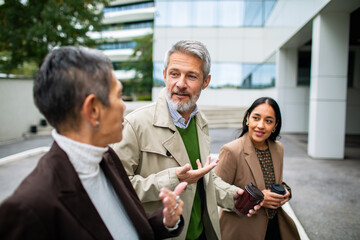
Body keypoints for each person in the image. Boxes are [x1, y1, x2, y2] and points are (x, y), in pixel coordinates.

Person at [0, 46, 187, 240]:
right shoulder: (29, 208)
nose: (124, 106)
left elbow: (129, 226)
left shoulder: (107, 157)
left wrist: (166, 221)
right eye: (118, 95)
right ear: (93, 110)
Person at [111, 40, 261, 240]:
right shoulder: (134, 124)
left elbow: (202, 179)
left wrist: (233, 196)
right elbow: (117, 187)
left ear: (205, 82)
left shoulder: (201, 122)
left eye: (191, 76)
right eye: (174, 74)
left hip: (202, 234)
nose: (180, 83)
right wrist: (175, 179)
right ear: (164, 75)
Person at [214, 97, 301, 240]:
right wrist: (258, 199)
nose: (261, 125)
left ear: (275, 125)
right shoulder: (232, 150)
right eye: (256, 118)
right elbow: (216, 193)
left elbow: (273, 181)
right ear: (248, 118)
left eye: (268, 121)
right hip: (242, 230)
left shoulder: (278, 148)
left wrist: (285, 191)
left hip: (274, 226)